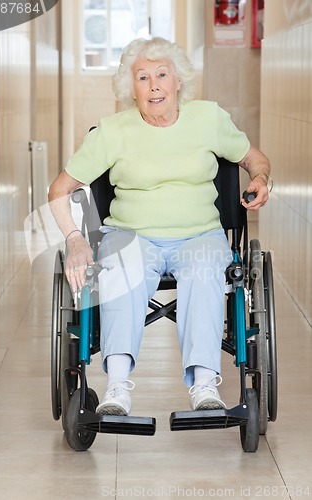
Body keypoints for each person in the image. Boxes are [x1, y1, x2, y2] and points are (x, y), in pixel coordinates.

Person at [48, 37, 271, 416]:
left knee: (205, 270)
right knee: (120, 265)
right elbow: (60, 189)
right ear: (129, 87)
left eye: (162, 75)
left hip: (200, 234)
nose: (154, 86)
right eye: (142, 77)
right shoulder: (112, 131)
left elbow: (255, 160)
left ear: (178, 80)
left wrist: (261, 178)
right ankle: (117, 387)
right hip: (130, 235)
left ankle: (204, 386)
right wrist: (74, 239)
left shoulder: (209, 118)